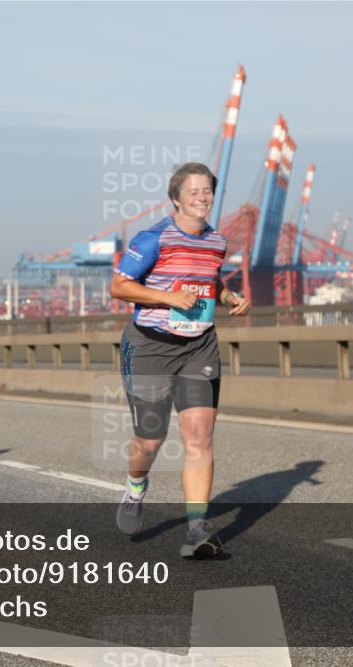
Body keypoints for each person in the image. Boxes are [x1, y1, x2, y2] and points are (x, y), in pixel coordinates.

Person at [111, 162, 250, 558]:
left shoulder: (217, 242)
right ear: (175, 199)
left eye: (207, 191)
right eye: (193, 192)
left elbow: (210, 279)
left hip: (198, 347)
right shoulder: (153, 239)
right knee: (150, 439)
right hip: (150, 347)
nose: (202, 198)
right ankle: (136, 487)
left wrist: (227, 297)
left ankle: (196, 530)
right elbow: (119, 286)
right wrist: (169, 298)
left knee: (200, 435)